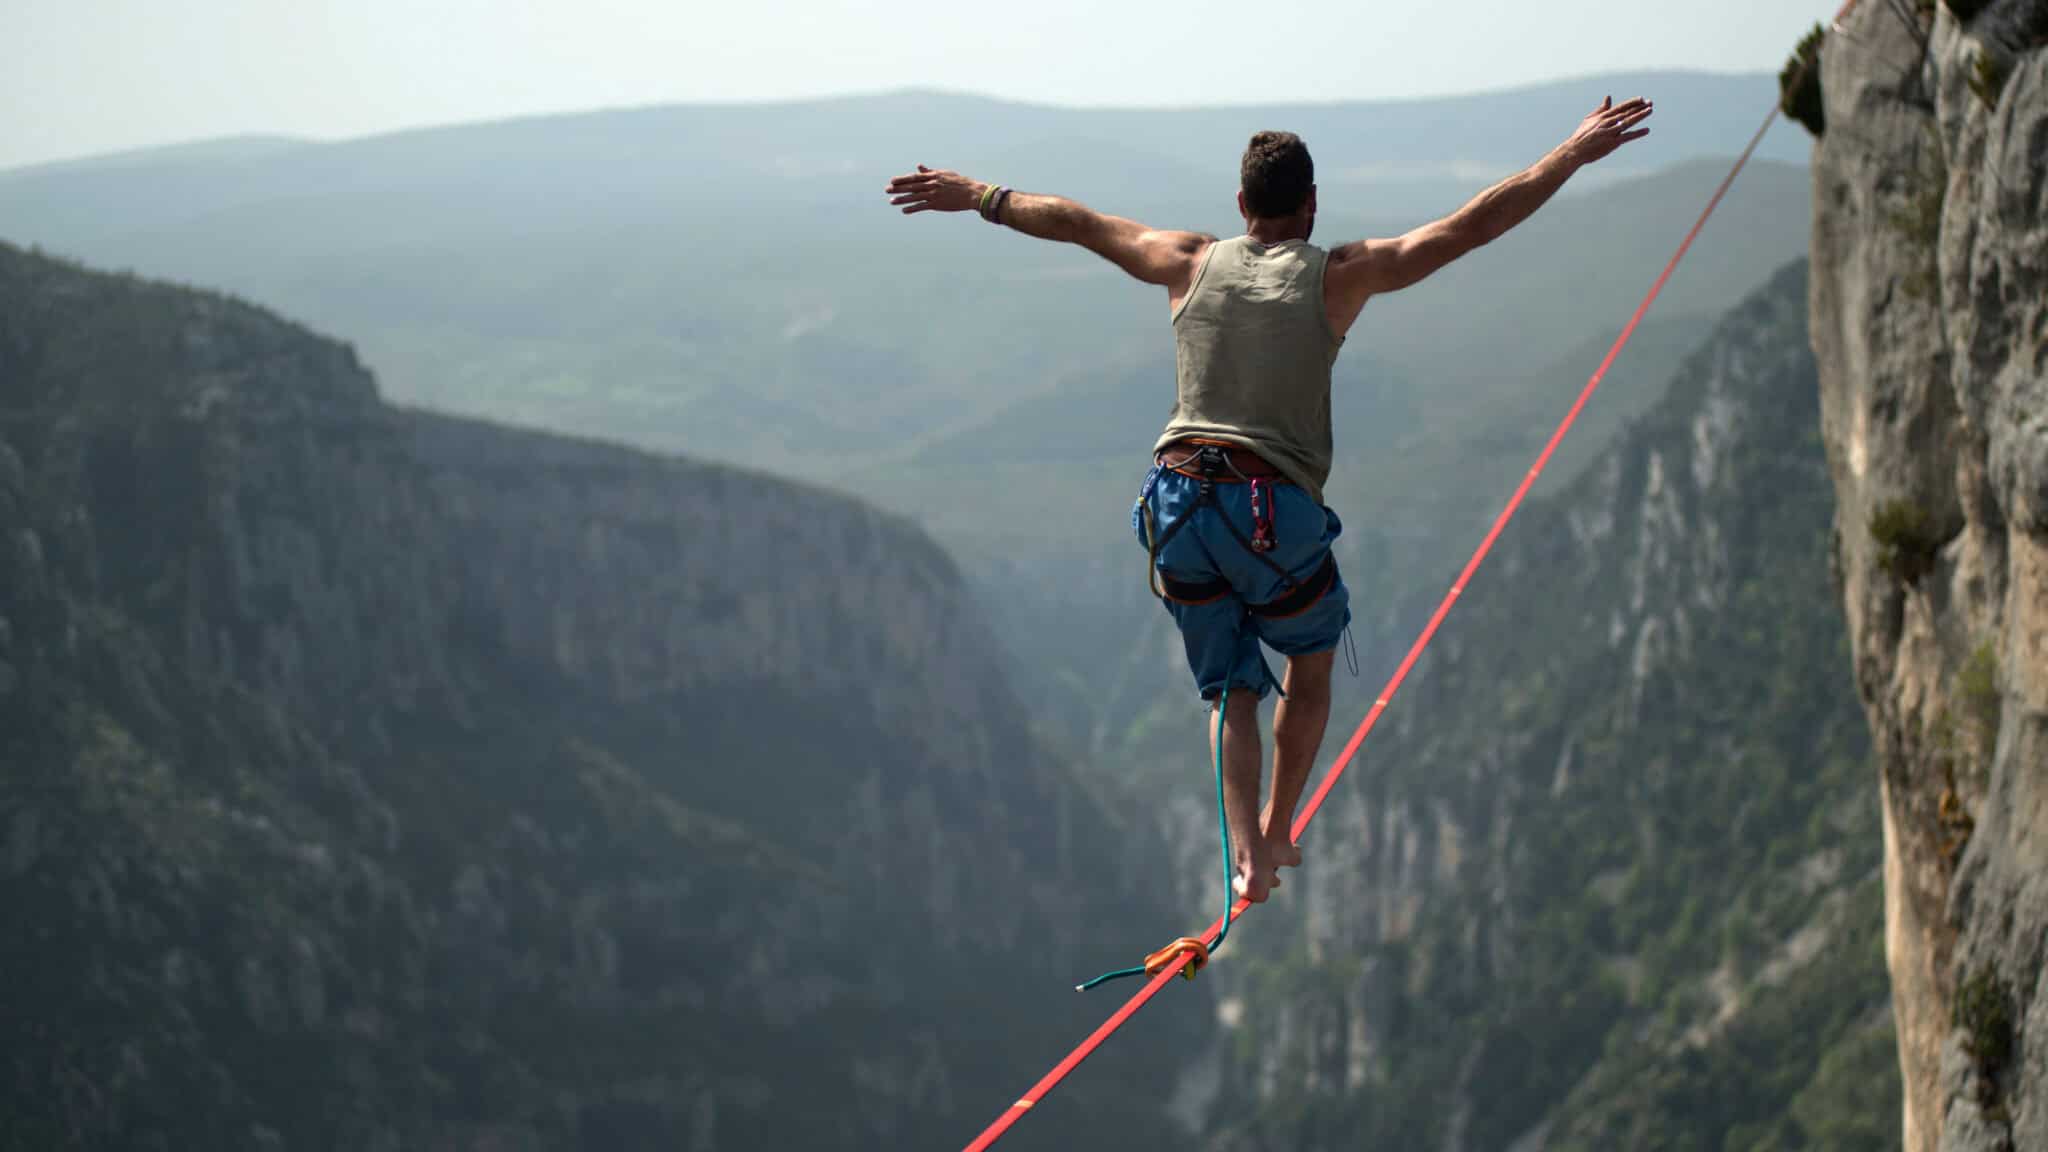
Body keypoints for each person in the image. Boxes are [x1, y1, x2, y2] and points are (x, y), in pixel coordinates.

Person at [884, 96, 1653, 905]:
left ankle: (1244, 852)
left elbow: (1076, 221)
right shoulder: (1338, 274)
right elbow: (1469, 228)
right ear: (1310, 204)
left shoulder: (1185, 258)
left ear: (1241, 203)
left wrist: (979, 195)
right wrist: (1570, 153)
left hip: (1176, 504)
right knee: (1309, 668)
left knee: (1230, 691)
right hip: (1266, 509)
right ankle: (1277, 829)